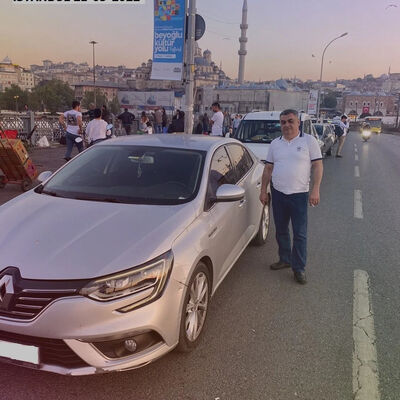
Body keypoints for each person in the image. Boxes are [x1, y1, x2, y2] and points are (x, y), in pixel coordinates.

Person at [259, 109, 323, 284]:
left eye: (290, 121)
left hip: (299, 195)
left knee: (300, 234)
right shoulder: (275, 144)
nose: (286, 125)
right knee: (281, 230)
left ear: (298, 123)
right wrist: (263, 190)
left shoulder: (309, 141)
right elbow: (268, 168)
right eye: (283, 122)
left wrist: (316, 189)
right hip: (279, 193)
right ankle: (285, 259)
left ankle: (299, 268)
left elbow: (318, 166)